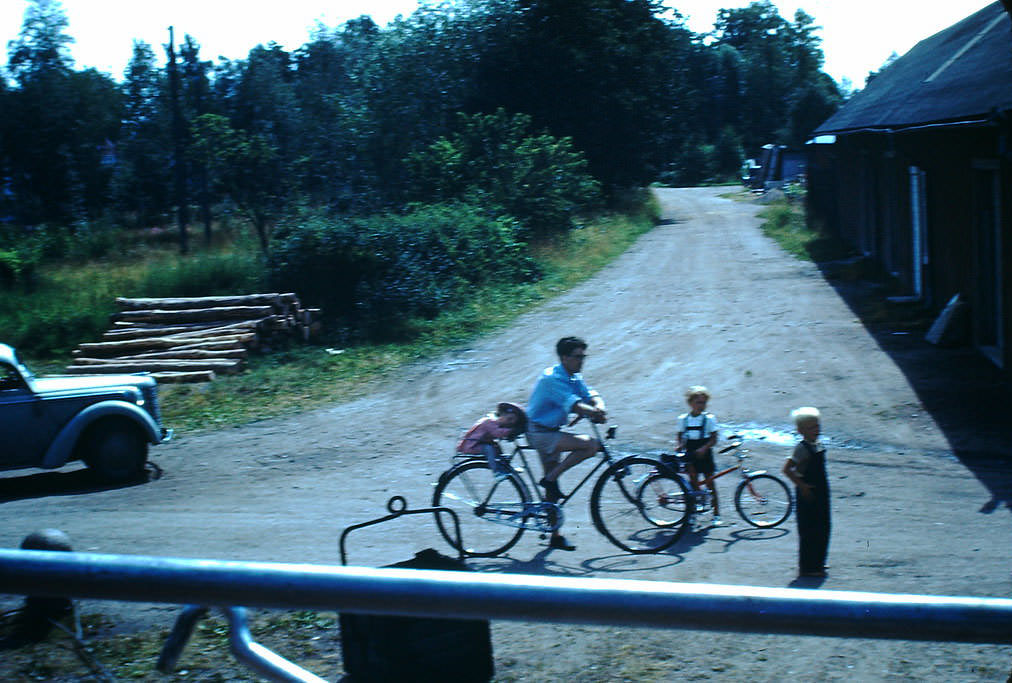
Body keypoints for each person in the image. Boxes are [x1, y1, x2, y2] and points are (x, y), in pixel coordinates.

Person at [526, 336, 607, 551]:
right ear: (564, 357)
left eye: (583, 356)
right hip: (539, 432)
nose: (581, 361)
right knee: (591, 445)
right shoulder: (552, 378)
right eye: (577, 357)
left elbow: (589, 395)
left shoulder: (572, 376)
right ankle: (551, 479)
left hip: (550, 430)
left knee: (551, 492)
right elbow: (574, 404)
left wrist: (599, 406)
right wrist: (593, 412)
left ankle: (555, 536)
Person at [782, 407, 831, 578]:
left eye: (817, 426)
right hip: (808, 493)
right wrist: (802, 486)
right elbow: (787, 469)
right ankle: (808, 567)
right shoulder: (801, 448)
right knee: (810, 530)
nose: (816, 430)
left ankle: (819, 562)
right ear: (801, 430)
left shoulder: (818, 445)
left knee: (823, 527)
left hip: (821, 491)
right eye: (811, 427)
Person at [675, 386, 721, 525]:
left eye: (704, 402)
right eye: (698, 402)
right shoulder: (683, 419)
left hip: (704, 451)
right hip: (690, 450)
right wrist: (679, 445)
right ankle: (693, 509)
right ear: (690, 403)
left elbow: (714, 438)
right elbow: (680, 435)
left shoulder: (709, 419)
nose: (702, 405)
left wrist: (704, 448)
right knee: (693, 482)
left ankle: (716, 513)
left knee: (710, 482)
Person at [456, 402, 526, 473]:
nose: (510, 423)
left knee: (496, 448)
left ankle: (506, 467)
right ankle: (497, 471)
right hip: (471, 446)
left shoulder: (495, 423)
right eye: (509, 419)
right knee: (489, 448)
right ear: (501, 415)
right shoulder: (489, 422)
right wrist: (512, 430)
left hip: (479, 444)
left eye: (513, 422)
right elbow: (498, 433)